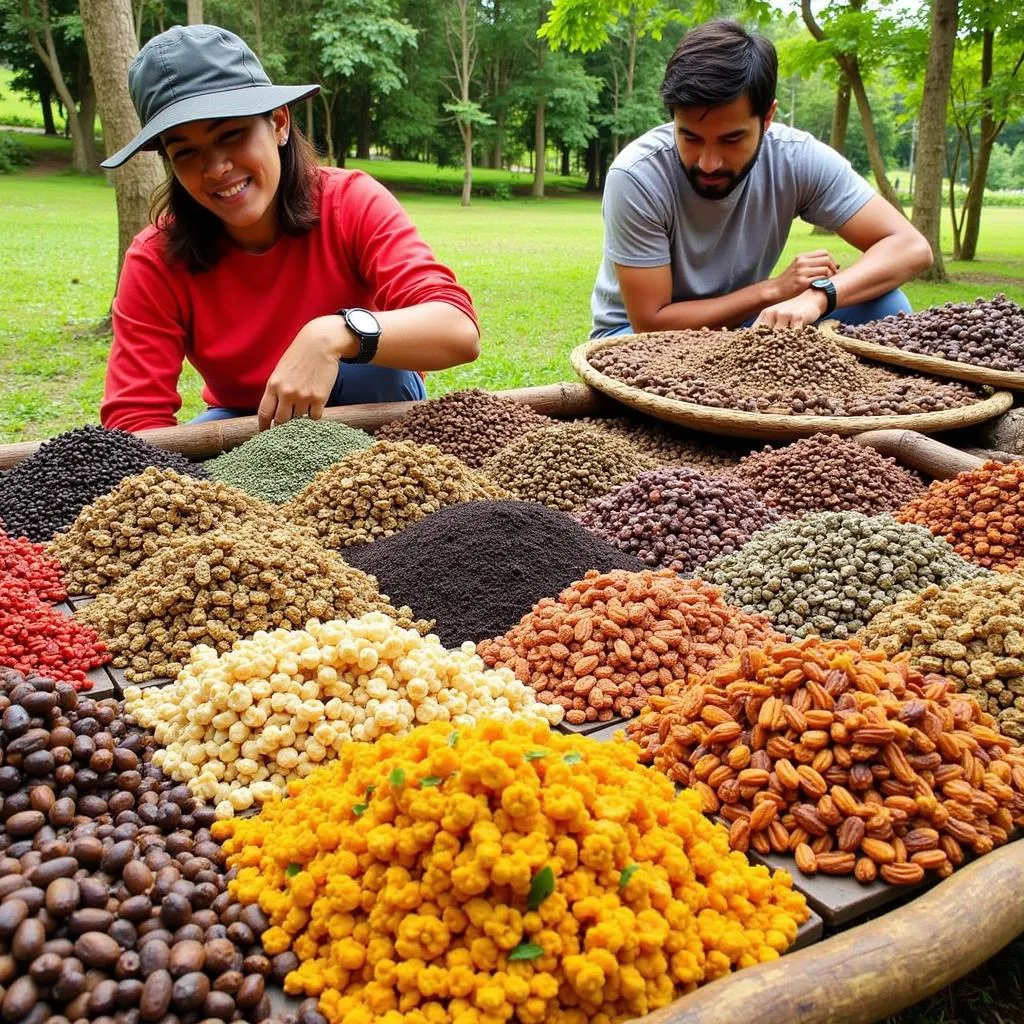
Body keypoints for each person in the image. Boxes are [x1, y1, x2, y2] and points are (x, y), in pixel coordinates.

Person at [100, 25, 480, 432]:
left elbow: (457, 328)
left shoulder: (350, 201)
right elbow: (134, 420)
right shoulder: (155, 257)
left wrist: (334, 333)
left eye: (231, 134)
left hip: (373, 411)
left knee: (380, 373)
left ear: (279, 123)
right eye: (186, 152)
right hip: (247, 421)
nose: (215, 169)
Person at [590, 20, 933, 339]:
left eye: (731, 139)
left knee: (887, 307)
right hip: (633, 338)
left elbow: (911, 248)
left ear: (767, 117)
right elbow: (651, 322)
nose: (708, 163)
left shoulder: (796, 158)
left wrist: (818, 296)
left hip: (747, 321)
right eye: (690, 137)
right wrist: (773, 290)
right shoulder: (637, 175)